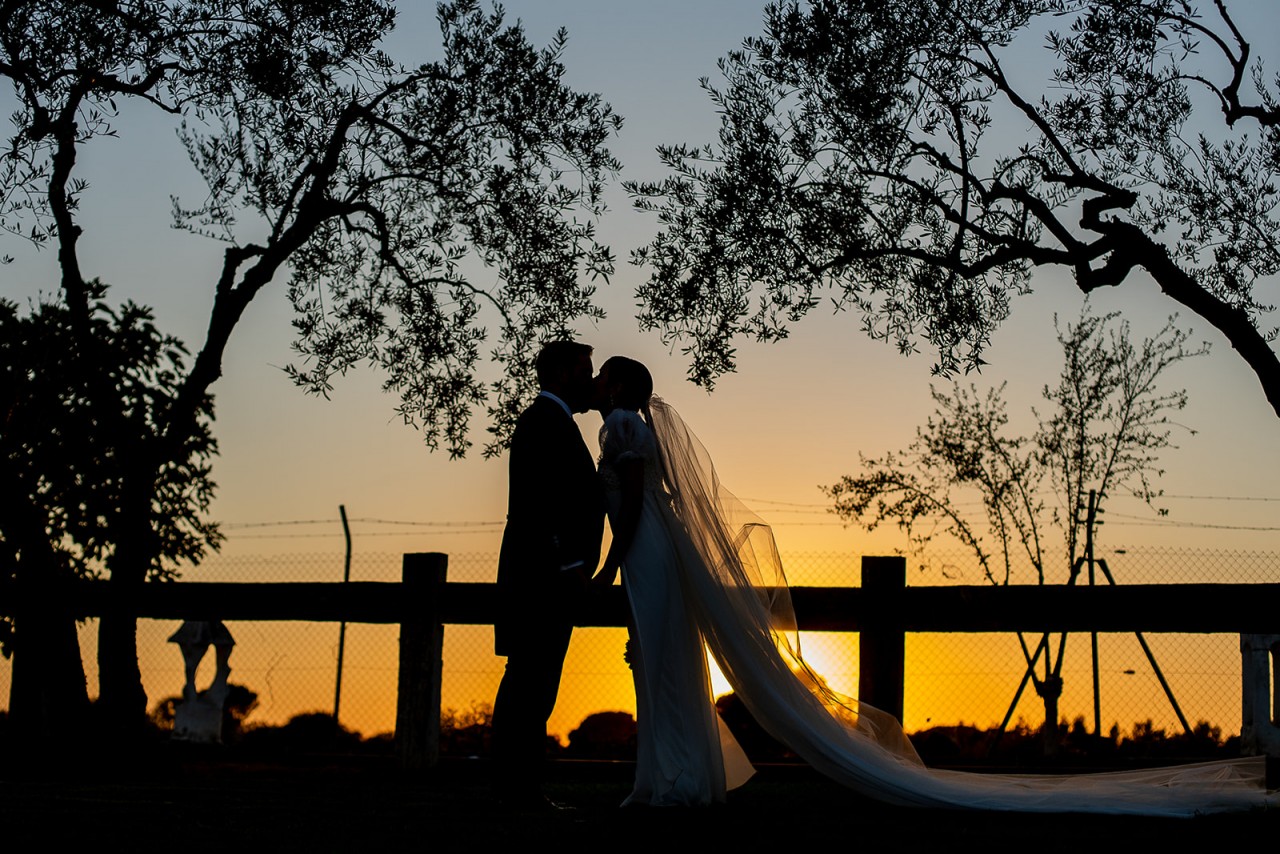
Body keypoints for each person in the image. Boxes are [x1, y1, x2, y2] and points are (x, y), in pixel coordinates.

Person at [590, 355, 1274, 815]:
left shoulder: (622, 426)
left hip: (645, 547)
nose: (598, 387)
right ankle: (675, 776)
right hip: (656, 545)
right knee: (665, 660)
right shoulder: (642, 426)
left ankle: (671, 778)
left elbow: (626, 491)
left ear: (621, 388)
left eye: (605, 379)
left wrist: (611, 560)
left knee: (661, 659)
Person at [491, 340, 604, 809]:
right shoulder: (543, 422)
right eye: (585, 372)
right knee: (529, 686)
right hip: (542, 579)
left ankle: (519, 790)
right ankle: (517, 792)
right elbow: (539, 504)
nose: (591, 381)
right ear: (560, 373)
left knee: (534, 684)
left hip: (545, 577)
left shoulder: (555, 422)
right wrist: (570, 564)